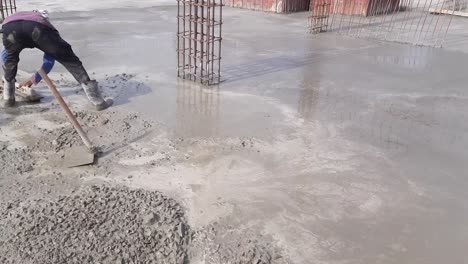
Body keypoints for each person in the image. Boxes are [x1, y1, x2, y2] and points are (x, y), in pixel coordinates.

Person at [1, 10, 112, 110]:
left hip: (9, 27)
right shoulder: (45, 24)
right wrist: (34, 79)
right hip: (37, 29)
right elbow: (49, 61)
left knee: (10, 58)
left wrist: (10, 76)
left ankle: (8, 100)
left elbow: (5, 55)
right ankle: (98, 101)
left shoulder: (21, 15)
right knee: (69, 59)